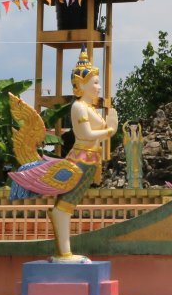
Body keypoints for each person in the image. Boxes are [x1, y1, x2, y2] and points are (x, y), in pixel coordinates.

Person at [8, 51, 119, 262]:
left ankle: (64, 252)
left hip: (90, 160)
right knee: (63, 208)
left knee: (68, 207)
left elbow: (102, 127)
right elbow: (85, 134)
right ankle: (64, 253)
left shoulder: (89, 107)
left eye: (98, 83)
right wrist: (109, 132)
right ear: (81, 84)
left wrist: (109, 126)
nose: (98, 87)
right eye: (94, 83)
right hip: (79, 161)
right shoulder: (78, 107)